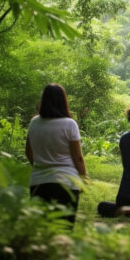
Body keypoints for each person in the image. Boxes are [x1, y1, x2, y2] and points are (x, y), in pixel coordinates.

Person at [26, 83, 86, 224]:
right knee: (64, 229)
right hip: (66, 182)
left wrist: (41, 167)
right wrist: (83, 178)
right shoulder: (69, 124)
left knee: (41, 229)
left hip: (38, 183)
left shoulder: (34, 123)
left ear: (44, 100)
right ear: (63, 100)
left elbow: (28, 152)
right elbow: (78, 158)